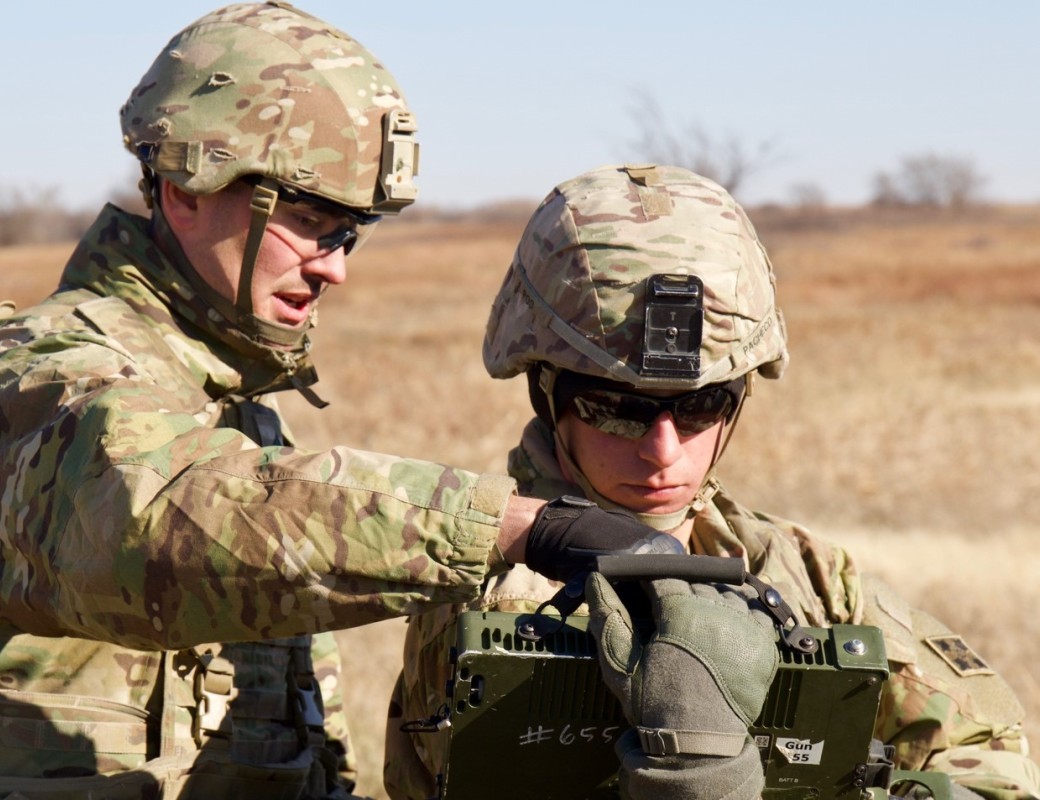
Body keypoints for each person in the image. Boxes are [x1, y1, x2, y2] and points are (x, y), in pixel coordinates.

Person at [0, 8, 661, 800]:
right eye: (307, 221)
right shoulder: (21, 378)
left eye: (350, 234)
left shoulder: (241, 418)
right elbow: (148, 520)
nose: (334, 267)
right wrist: (518, 527)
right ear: (186, 187)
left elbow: (298, 744)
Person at [385, 164, 1040, 799]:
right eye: (615, 408)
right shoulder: (484, 582)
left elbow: (990, 754)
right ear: (544, 392)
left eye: (702, 406)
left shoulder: (798, 572)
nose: (663, 450)